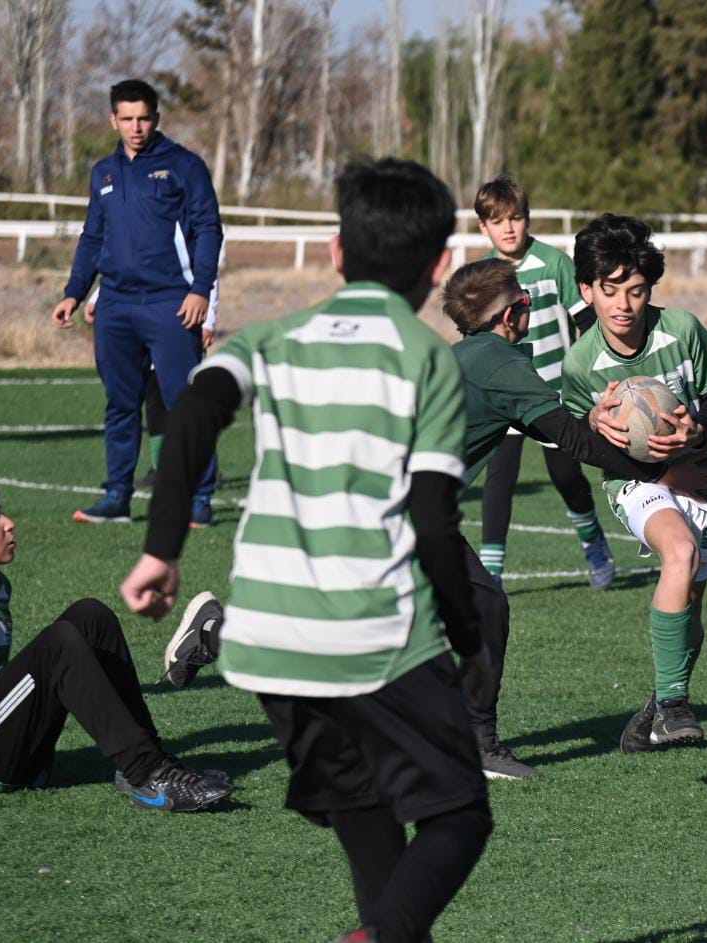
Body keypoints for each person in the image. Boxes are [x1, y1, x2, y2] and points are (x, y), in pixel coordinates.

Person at [119, 158, 494, 943]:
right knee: (459, 813)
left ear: (335, 250)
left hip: (268, 640)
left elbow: (193, 413)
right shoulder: (425, 356)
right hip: (371, 631)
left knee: (367, 812)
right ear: (437, 266)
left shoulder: (273, 338)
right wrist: (466, 638)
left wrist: (161, 549)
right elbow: (432, 519)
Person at [440, 258, 707, 776]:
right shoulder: (500, 365)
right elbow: (570, 440)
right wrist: (661, 471)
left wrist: (593, 417)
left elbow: (554, 426)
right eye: (525, 299)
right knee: (477, 610)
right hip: (399, 511)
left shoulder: (468, 356)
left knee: (472, 609)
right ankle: (472, 743)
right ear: (512, 314)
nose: (530, 305)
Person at [0, 473, 231, 811]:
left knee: (91, 616)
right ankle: (148, 773)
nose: (9, 524)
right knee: (58, 644)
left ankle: (145, 758)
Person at [561, 214, 707, 753]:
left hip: (704, 473)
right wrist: (594, 421)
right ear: (587, 290)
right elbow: (582, 442)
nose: (623, 305)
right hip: (634, 482)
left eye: (636, 290)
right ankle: (674, 706)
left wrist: (697, 427)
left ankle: (657, 711)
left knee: (690, 610)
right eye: (609, 290)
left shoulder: (682, 330)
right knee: (679, 552)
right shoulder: (581, 364)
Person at [51, 78, 222, 528]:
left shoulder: (184, 165)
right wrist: (74, 292)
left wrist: (201, 290)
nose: (136, 127)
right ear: (113, 120)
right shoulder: (103, 173)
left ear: (156, 118)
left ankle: (200, 498)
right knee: (120, 403)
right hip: (116, 306)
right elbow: (93, 236)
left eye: (143, 118)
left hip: (170, 303)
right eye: (127, 119)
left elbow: (208, 229)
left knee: (185, 402)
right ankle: (118, 496)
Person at [473, 176, 615, 589]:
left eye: (516, 217)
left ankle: (592, 539)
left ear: (528, 219)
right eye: (498, 221)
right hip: (505, 396)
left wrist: (594, 372)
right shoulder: (483, 274)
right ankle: (491, 573)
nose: (509, 228)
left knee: (566, 476)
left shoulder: (554, 263)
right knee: (499, 480)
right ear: (483, 227)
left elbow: (586, 322)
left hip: (554, 394)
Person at [84, 281, 220, 492]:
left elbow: (208, 275)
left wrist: (208, 320)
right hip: (143, 314)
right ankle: (161, 467)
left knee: (184, 400)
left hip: (181, 317)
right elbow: (129, 268)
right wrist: (97, 296)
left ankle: (203, 472)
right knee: (152, 393)